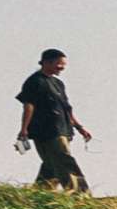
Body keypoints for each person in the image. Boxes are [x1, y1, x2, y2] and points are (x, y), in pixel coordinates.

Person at [15, 48, 91, 192]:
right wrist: (24, 129)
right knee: (63, 160)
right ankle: (80, 193)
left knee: (51, 163)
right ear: (47, 62)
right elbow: (29, 106)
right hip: (46, 130)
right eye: (59, 64)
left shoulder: (58, 84)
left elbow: (67, 108)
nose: (62, 67)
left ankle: (40, 193)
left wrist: (79, 127)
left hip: (63, 128)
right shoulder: (34, 81)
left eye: (63, 65)